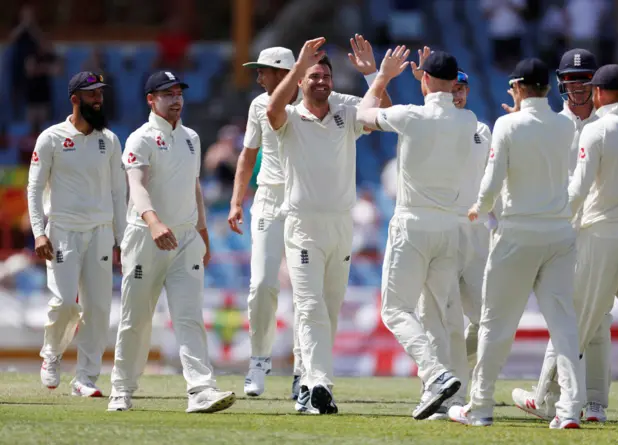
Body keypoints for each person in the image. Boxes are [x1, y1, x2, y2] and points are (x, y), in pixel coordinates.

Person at [228, 35, 388, 400]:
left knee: (312, 298)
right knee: (262, 285)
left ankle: (306, 373)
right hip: (272, 199)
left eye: (265, 72)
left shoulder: (337, 104)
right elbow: (247, 155)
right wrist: (238, 200)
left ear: (289, 72)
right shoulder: (262, 106)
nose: (259, 79)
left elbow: (381, 114)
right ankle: (259, 359)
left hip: (313, 203)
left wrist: (373, 76)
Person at [448, 58, 584, 428]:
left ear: (519, 87)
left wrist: (481, 207)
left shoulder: (507, 124)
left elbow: (492, 182)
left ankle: (480, 407)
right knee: (564, 325)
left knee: (495, 324)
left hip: (518, 235)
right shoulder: (564, 125)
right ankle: (571, 410)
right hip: (559, 233)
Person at [356, 48, 478, 420]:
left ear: (424, 80)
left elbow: (363, 115)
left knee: (395, 309)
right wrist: (425, 86)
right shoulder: (468, 119)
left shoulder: (413, 116)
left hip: (413, 224)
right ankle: (444, 397)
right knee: (435, 315)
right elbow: (429, 115)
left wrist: (381, 77)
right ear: (456, 83)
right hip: (448, 230)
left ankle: (435, 374)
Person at [108, 72, 235, 414]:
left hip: (184, 238)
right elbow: (136, 187)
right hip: (145, 237)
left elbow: (194, 187)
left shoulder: (192, 137)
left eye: (179, 92)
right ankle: (121, 389)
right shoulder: (140, 139)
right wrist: (154, 222)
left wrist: (203, 231)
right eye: (167, 94)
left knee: (189, 316)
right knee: (137, 318)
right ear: (151, 100)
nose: (176, 99)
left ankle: (200, 389)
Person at [512, 48, 612, 423]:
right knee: (567, 316)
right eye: (571, 81)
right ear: (560, 83)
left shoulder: (608, 123)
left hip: (600, 230)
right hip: (563, 231)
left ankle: (594, 404)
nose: (578, 88)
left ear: (595, 84)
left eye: (584, 80)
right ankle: (555, 398)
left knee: (596, 316)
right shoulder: (553, 125)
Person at [27, 71, 126, 397]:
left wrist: (121, 241)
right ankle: (52, 355)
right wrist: (40, 232)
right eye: (91, 94)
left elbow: (117, 192)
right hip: (62, 232)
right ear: (75, 99)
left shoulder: (109, 141)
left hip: (99, 231)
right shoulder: (51, 138)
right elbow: (35, 188)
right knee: (66, 302)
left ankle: (86, 378)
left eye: (100, 93)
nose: (98, 99)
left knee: (98, 308)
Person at [412, 67, 493, 420]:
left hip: (476, 234)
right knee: (437, 317)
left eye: (463, 88)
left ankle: (456, 382)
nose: (458, 94)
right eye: (452, 88)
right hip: (440, 228)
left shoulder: (481, 129)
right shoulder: (427, 124)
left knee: (486, 317)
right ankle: (439, 394)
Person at [563, 64, 618, 426]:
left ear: (600, 93)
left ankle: (563, 404)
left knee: (580, 323)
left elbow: (577, 191)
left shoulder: (595, 130)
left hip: (601, 234)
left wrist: (557, 221)